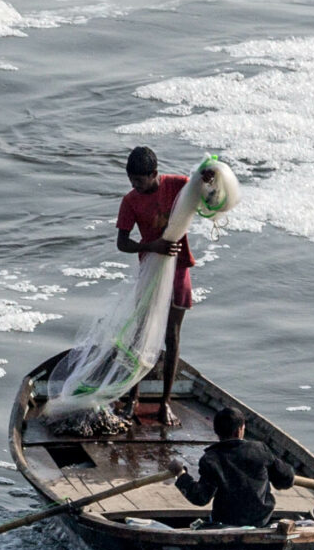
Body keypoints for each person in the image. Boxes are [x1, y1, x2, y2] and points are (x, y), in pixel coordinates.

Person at [114, 145, 193, 424]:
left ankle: (165, 403)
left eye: (140, 180)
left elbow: (202, 190)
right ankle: (132, 398)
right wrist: (151, 246)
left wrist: (209, 177)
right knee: (141, 334)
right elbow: (122, 242)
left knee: (171, 336)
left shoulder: (177, 185)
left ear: (154, 174)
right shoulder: (131, 201)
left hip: (178, 267)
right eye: (131, 180)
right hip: (151, 270)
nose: (135, 186)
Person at [174, 406, 295, 528]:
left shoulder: (211, 459)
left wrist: (180, 474)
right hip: (260, 522)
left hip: (226, 523)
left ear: (216, 431)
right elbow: (287, 479)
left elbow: (200, 497)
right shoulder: (260, 449)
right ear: (239, 431)